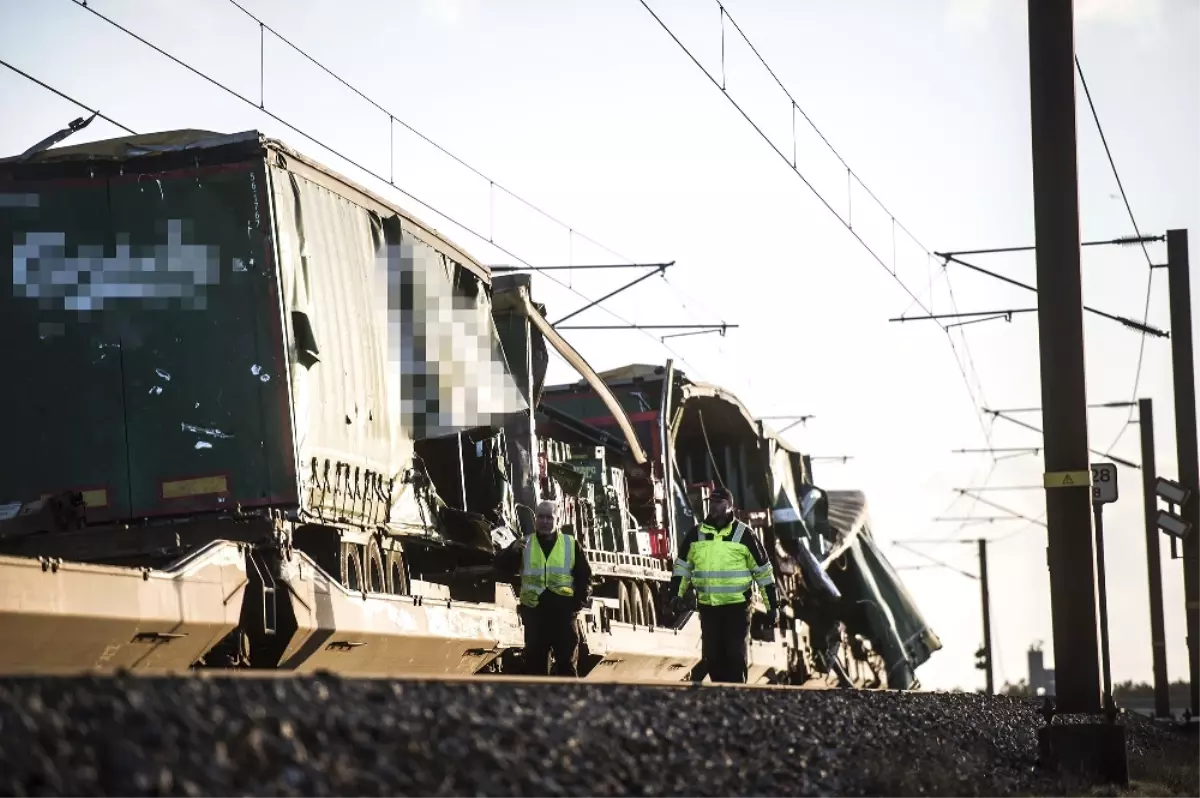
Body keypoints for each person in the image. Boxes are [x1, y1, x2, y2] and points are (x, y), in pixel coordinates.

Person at [669, 487, 778, 683]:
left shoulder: (745, 535)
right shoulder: (696, 534)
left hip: (737, 607)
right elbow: (682, 568)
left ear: (729, 506)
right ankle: (720, 697)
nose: (713, 507)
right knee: (713, 658)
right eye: (711, 503)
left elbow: (763, 572)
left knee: (735, 656)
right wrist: (675, 595)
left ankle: (737, 694)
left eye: (718, 503)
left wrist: (772, 607)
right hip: (709, 608)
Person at [494, 500, 592, 676]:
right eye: (541, 517)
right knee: (536, 667)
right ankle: (539, 702)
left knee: (567, 666)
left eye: (549, 517)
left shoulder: (571, 544)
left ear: (557, 520)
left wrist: (576, 606)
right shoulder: (524, 543)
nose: (545, 521)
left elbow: (585, 577)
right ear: (535, 519)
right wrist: (511, 551)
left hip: (563, 616)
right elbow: (502, 569)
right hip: (536, 615)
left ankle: (567, 701)